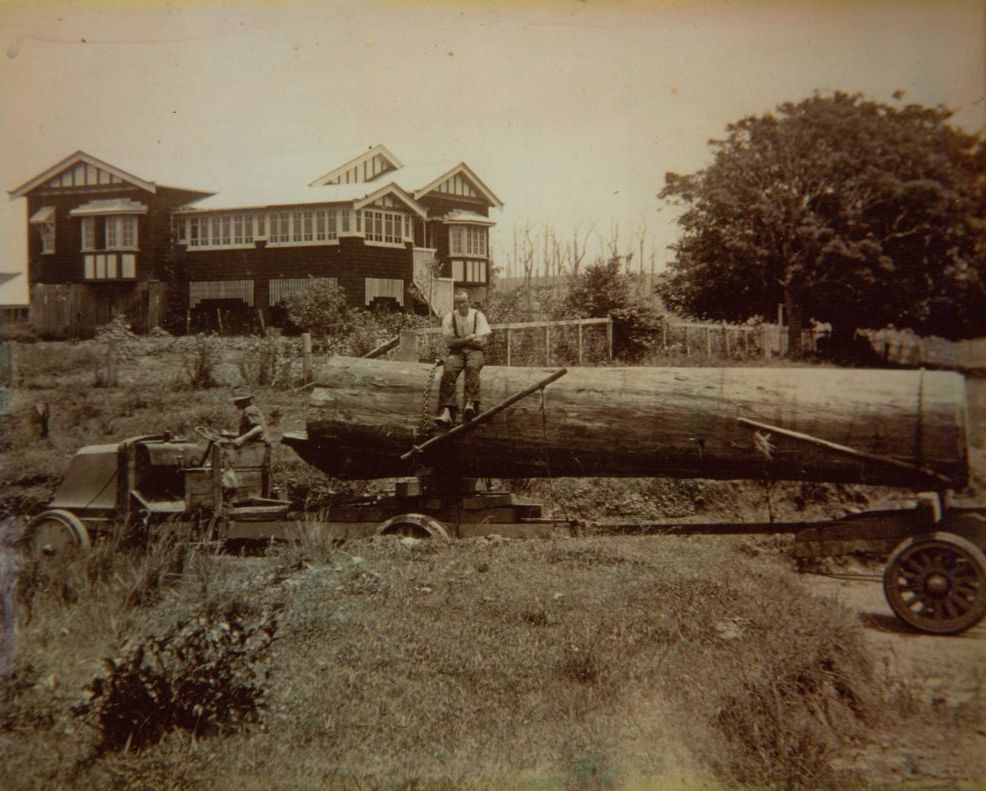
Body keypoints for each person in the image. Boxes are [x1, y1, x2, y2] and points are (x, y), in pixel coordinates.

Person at [435, 290, 492, 426]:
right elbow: (450, 343)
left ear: (469, 301)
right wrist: (468, 339)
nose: (461, 305)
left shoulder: (477, 315)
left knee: (472, 367)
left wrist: (459, 341)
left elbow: (481, 342)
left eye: (463, 302)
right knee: (448, 370)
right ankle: (447, 411)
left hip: (475, 351)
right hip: (457, 352)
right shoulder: (450, 317)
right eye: (458, 302)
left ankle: (470, 403)